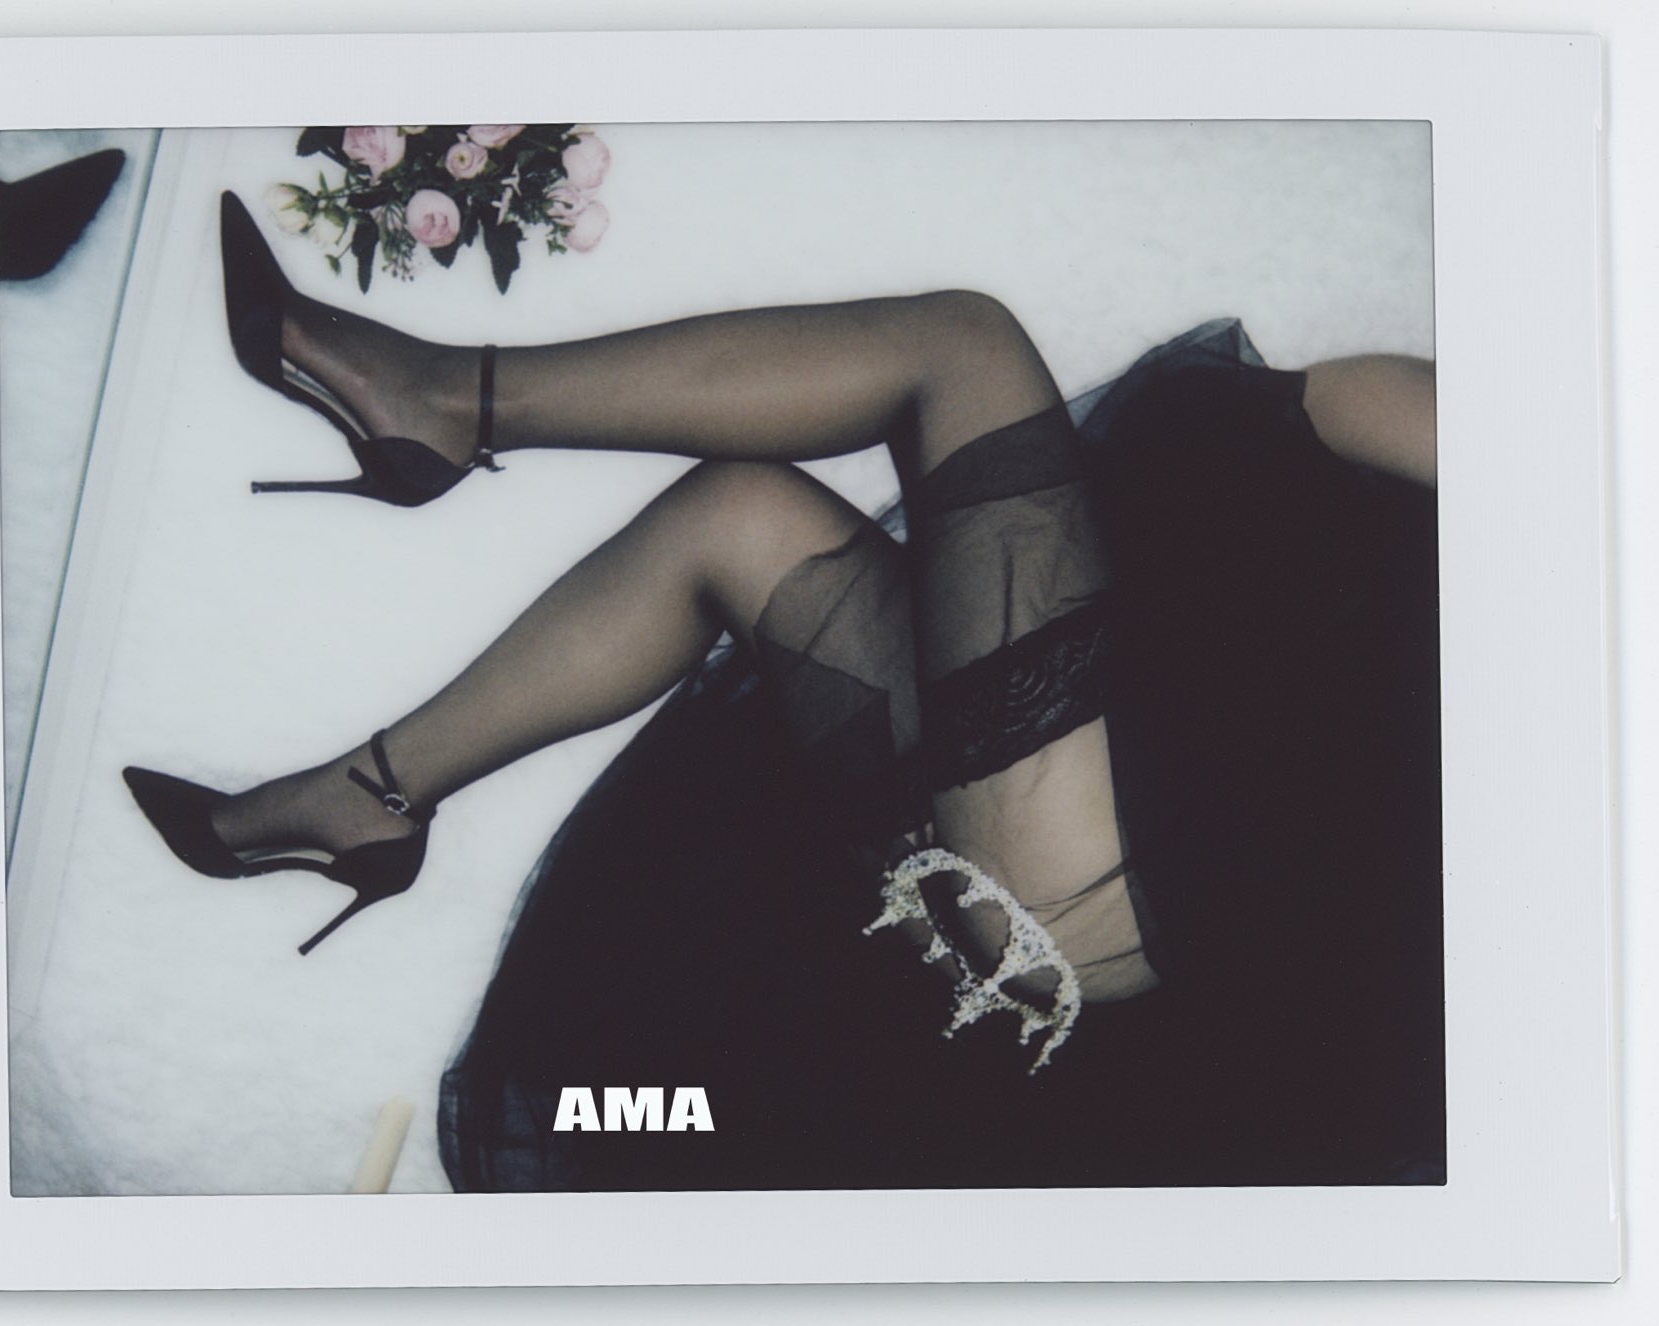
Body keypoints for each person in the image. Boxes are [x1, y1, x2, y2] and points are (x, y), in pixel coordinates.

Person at [127, 192, 1445, 1191]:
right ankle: (367, 802)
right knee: (743, 519)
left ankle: (439, 401)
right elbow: (1280, 429)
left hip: (1135, 887)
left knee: (963, 345)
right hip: (1110, 835)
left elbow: (1293, 432)